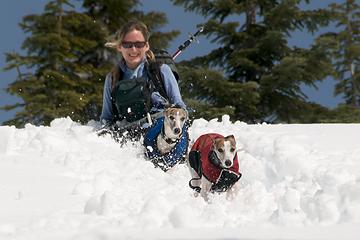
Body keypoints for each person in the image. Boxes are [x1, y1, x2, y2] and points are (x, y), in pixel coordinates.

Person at [99, 19, 186, 141]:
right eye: (128, 44)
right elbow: (106, 118)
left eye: (138, 44)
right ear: (120, 46)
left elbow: (180, 108)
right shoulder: (112, 79)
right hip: (127, 143)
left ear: (146, 46)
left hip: (161, 140)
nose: (133, 49)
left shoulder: (161, 71)